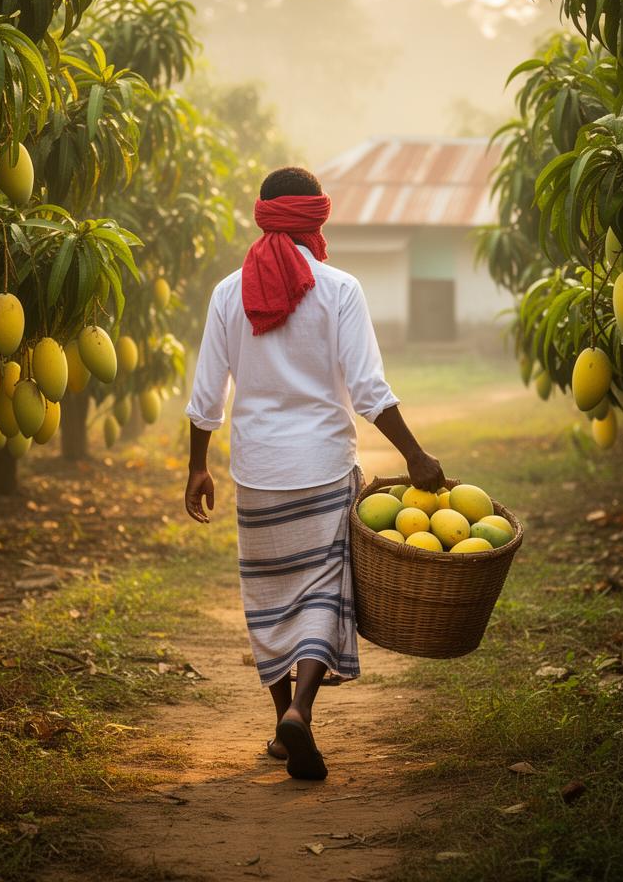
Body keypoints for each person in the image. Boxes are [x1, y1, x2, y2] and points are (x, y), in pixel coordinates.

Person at [184, 166, 444, 781]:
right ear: (316, 218)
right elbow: (370, 391)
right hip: (324, 469)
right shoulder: (340, 289)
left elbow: (204, 395)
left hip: (258, 472)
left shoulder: (228, 293)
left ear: (264, 214)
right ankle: (299, 711)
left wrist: (198, 465)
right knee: (324, 595)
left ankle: (284, 726)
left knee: (270, 599)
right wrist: (415, 456)